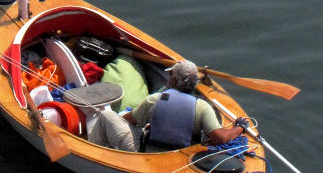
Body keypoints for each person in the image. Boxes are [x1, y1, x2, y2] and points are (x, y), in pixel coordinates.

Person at [87, 60, 248, 152]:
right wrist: (239, 128)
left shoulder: (155, 100)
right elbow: (221, 138)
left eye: (171, 75)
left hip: (146, 153)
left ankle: (93, 153)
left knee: (106, 117)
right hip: (181, 157)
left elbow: (130, 120)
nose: (168, 78)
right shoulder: (202, 107)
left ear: (175, 81)